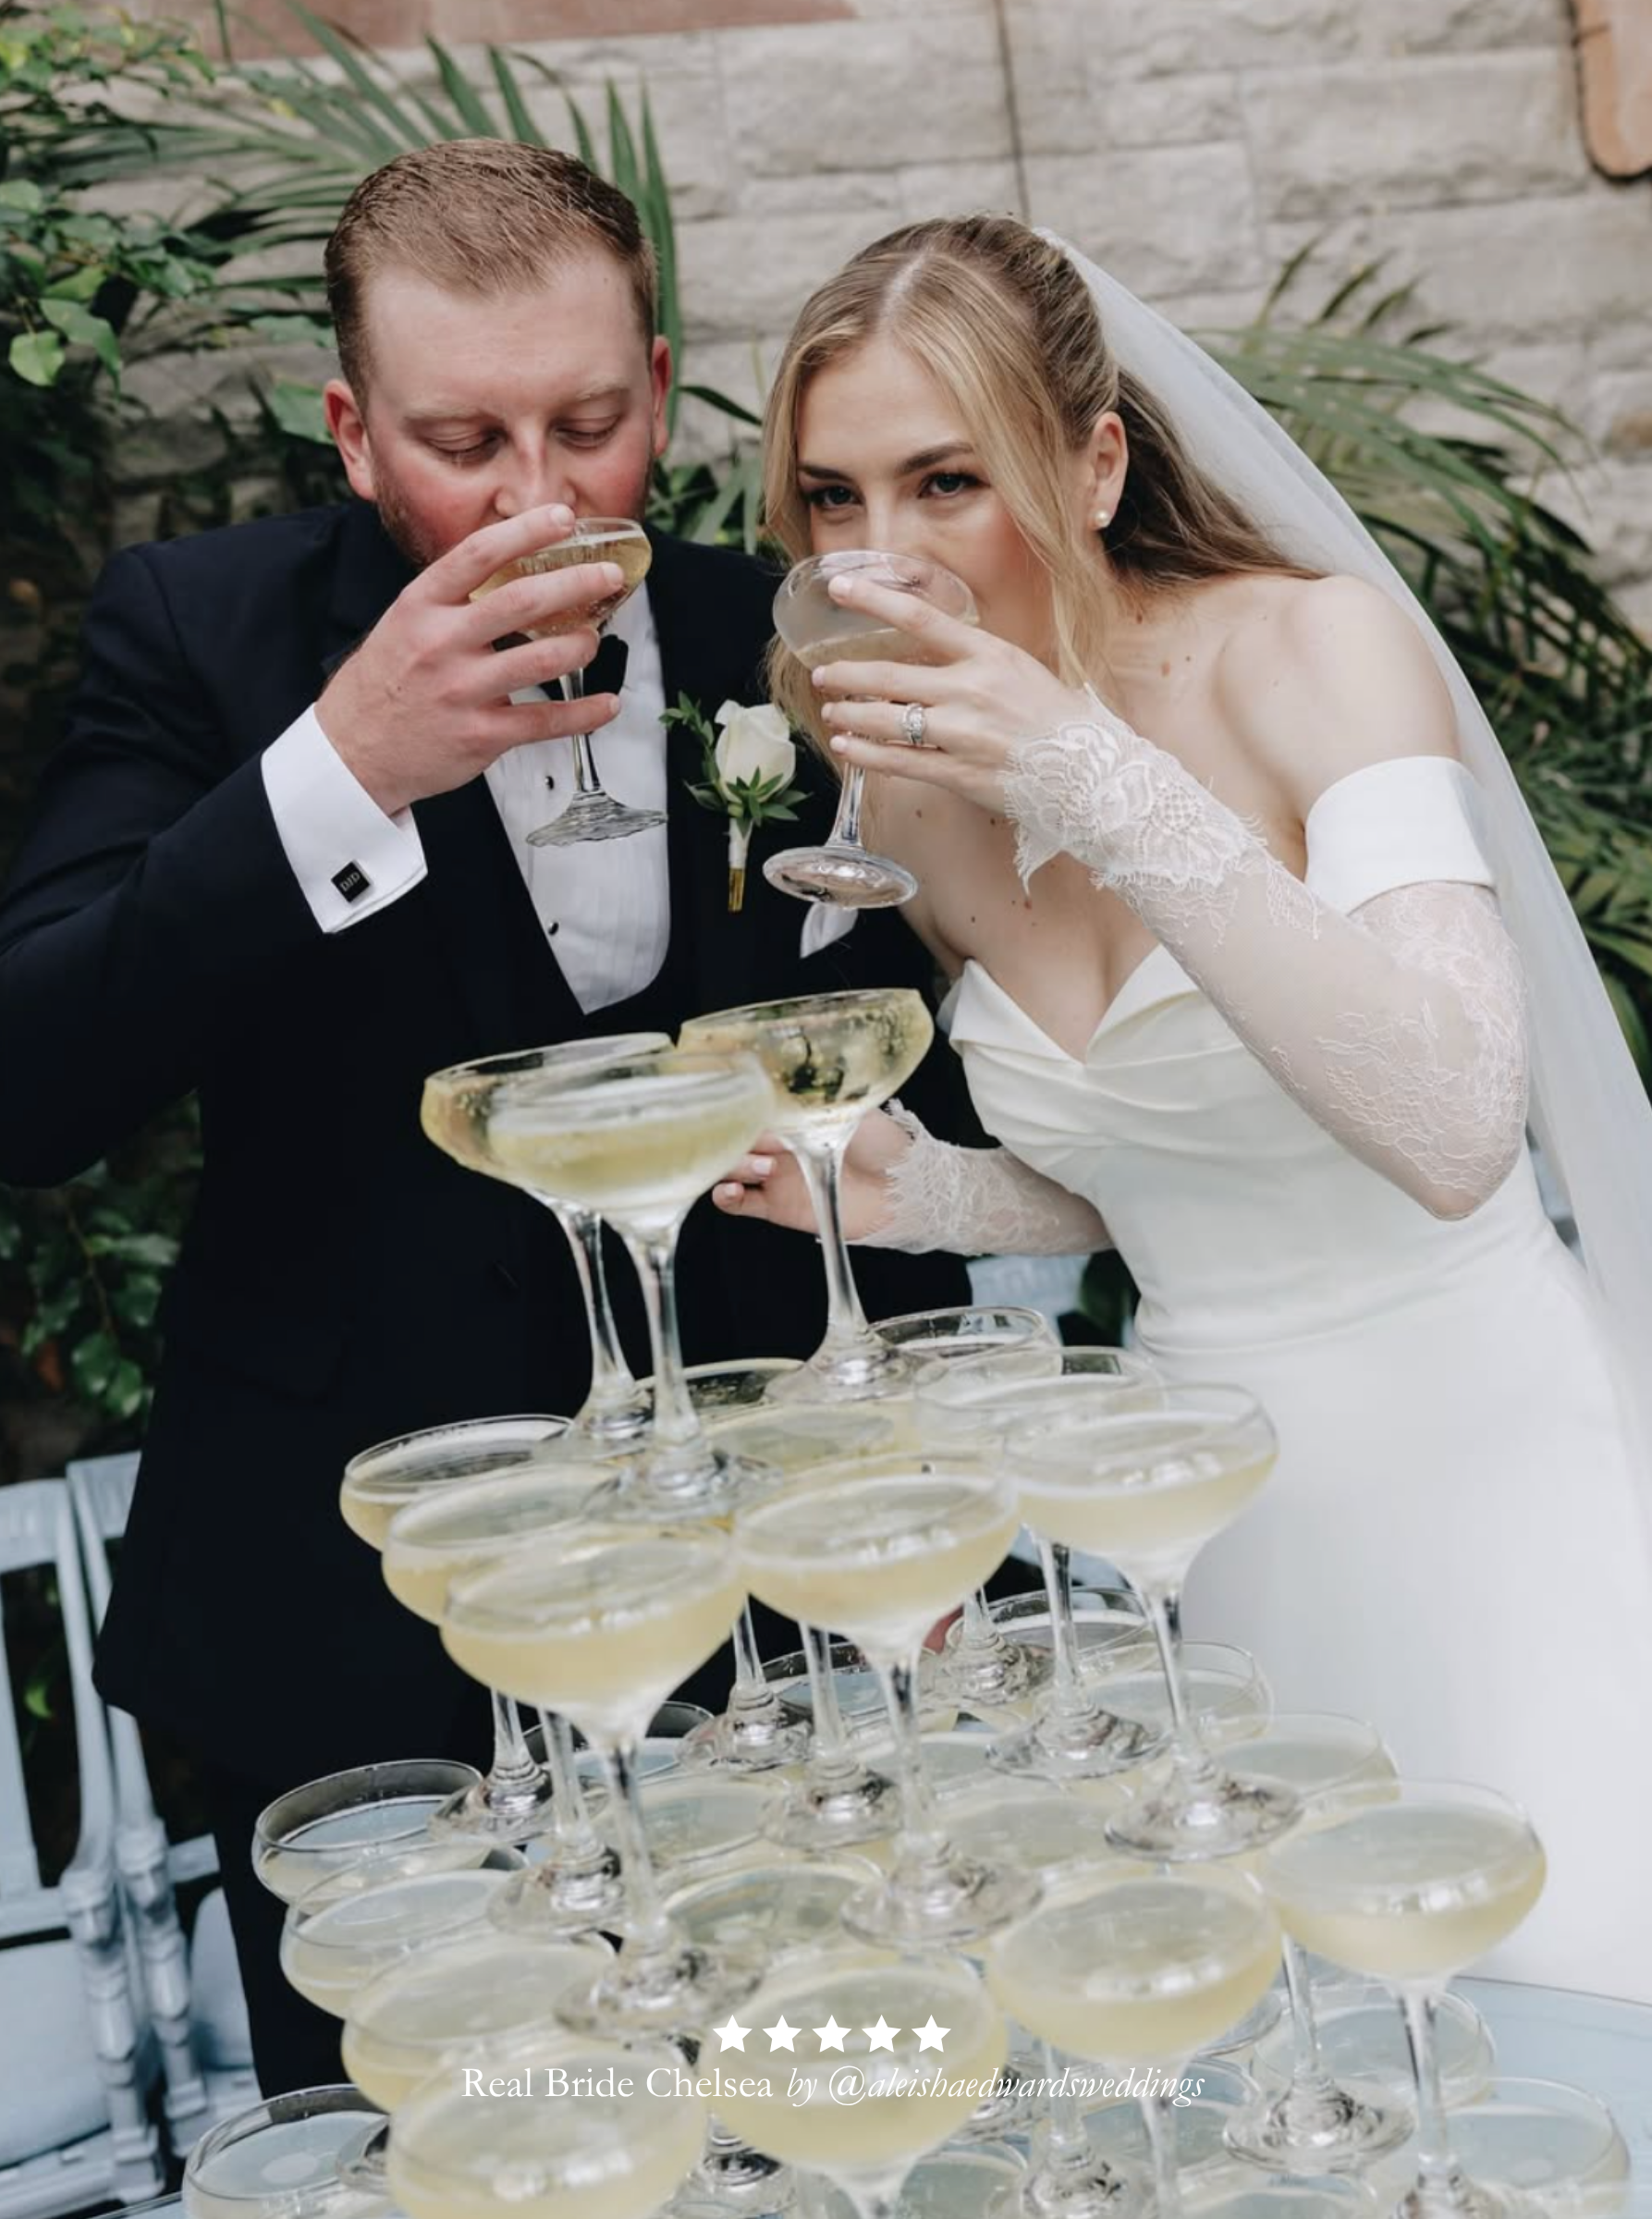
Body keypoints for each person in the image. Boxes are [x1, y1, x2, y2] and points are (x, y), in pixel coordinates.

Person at [0, 143, 971, 2091]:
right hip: (359, 1619)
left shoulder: (773, 632)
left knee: (820, 2108)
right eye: (464, 439)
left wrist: (922, 1512)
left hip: (774, 1593)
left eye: (591, 425)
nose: (540, 499)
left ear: (663, 384)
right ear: (356, 433)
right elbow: (35, 1081)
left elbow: (909, 1088)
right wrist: (337, 772)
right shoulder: (201, 635)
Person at [716, 214, 1652, 2004]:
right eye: (834, 501)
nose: (884, 560)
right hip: (1208, 1519)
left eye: (946, 481)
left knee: (1574, 1987)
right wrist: (932, 1197)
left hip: (1482, 1475)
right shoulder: (914, 789)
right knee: (1311, 2051)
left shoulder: (1310, 655)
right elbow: (1170, 1174)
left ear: (1094, 460)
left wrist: (1088, 768)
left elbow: (1453, 1120)